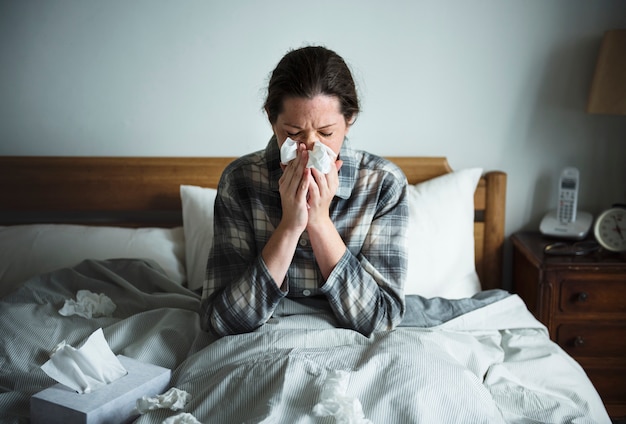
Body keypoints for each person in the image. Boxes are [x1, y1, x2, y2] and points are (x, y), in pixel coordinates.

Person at [200, 46, 408, 337]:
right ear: (272, 120)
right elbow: (221, 321)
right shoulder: (241, 182)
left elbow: (380, 320)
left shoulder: (382, 184)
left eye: (326, 133)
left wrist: (320, 222)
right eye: (294, 133)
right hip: (261, 344)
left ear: (349, 120)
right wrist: (290, 226)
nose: (310, 148)